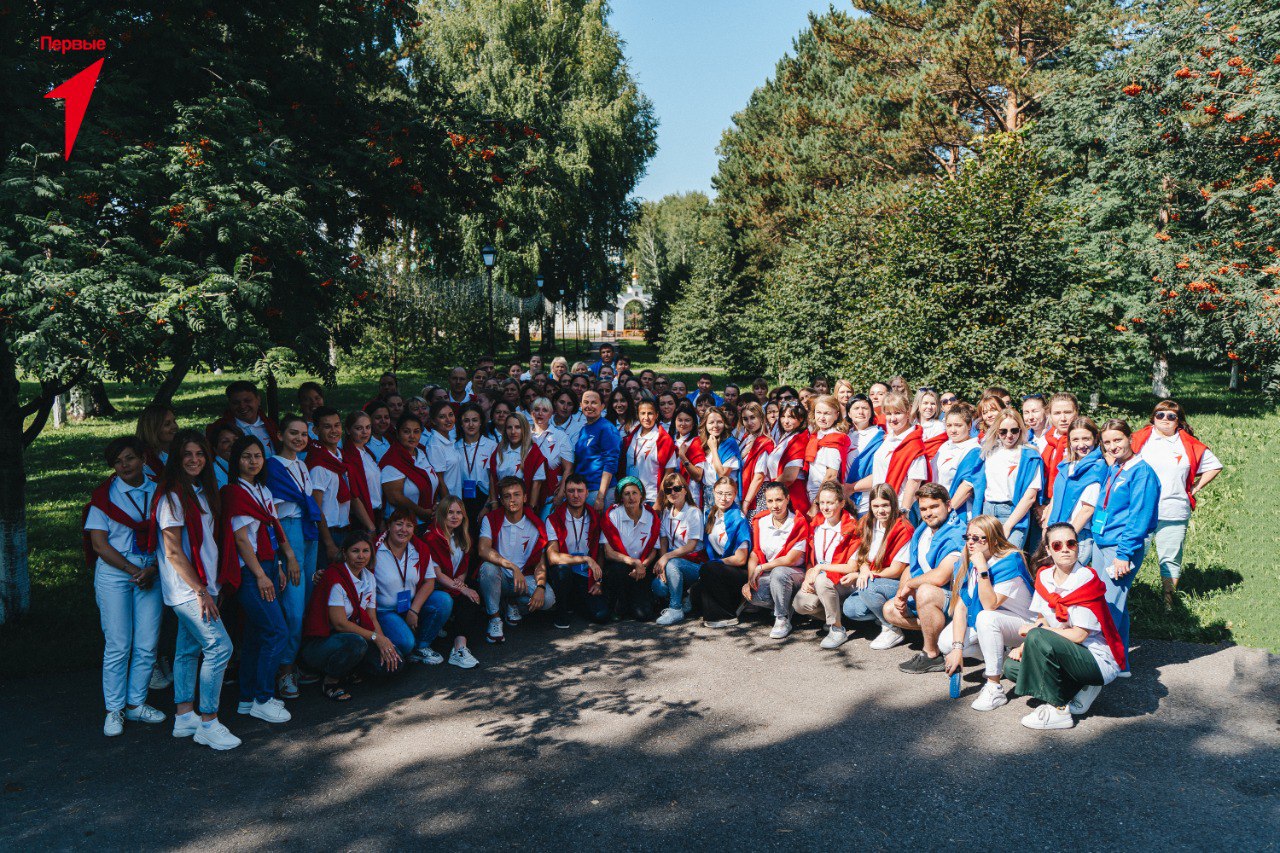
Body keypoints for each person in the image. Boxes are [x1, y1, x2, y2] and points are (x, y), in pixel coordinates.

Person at [154, 430, 240, 750]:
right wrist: (201, 591)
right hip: (188, 589)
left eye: (200, 454)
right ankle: (209, 722)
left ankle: (184, 716)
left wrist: (212, 585)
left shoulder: (200, 492)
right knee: (219, 647)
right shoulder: (172, 497)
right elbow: (173, 552)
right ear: (177, 458)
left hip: (205, 583)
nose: (194, 459)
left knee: (188, 650)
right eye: (187, 454)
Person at [1001, 523, 1127, 729]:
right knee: (1012, 667)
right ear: (1048, 550)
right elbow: (1042, 619)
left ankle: (1058, 710)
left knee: (1037, 636)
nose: (1065, 549)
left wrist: (1035, 633)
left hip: (1093, 658)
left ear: (1077, 546)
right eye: (1057, 545)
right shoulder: (1044, 576)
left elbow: (1079, 635)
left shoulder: (1086, 580)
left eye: (1071, 543)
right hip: (1064, 653)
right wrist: (1025, 646)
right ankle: (1079, 688)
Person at [84, 436, 164, 736]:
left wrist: (153, 569)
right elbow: (99, 545)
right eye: (117, 462)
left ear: (143, 458)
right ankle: (114, 709)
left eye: (129, 458)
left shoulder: (159, 490)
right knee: (119, 643)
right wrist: (134, 570)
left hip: (151, 570)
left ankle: (136, 704)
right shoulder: (104, 496)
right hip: (116, 572)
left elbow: (171, 535)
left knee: (147, 642)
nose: (124, 465)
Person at [218, 435, 296, 725]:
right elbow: (241, 540)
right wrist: (261, 575)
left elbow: (271, 529)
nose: (253, 461)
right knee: (277, 632)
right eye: (246, 456)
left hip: (267, 563)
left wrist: (278, 564)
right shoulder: (234, 492)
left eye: (257, 456)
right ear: (236, 460)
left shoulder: (262, 489)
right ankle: (263, 698)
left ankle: (248, 697)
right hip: (252, 571)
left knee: (255, 635)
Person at [1131, 400, 1223, 607]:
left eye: (1171, 416)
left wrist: (1196, 487)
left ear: (1179, 421)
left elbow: (1215, 466)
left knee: (1170, 558)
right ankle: (1125, 597)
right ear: (1153, 418)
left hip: (1174, 509)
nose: (1165, 419)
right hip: (1141, 510)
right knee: (1133, 553)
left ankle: (1168, 603)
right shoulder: (1137, 439)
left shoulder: (1188, 443)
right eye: (1160, 415)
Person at [942, 515, 1034, 710]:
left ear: (993, 539)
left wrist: (982, 569)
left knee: (986, 617)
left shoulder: (1010, 560)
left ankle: (994, 687)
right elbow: (961, 607)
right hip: (997, 622)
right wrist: (957, 649)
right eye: (968, 537)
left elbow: (990, 604)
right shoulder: (970, 559)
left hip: (1024, 626)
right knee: (947, 643)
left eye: (977, 538)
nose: (970, 542)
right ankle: (1002, 657)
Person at [301, 532, 403, 700]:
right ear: (345, 553)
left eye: (365, 551)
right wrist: (376, 638)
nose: (361, 556)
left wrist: (384, 643)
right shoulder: (335, 576)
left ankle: (350, 669)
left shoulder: (369, 577)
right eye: (355, 551)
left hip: (354, 637)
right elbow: (340, 624)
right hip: (323, 643)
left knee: (395, 663)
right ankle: (331, 681)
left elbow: (371, 618)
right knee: (357, 643)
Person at [264, 415, 323, 698]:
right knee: (293, 607)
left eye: (303, 434)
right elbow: (273, 516)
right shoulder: (273, 466)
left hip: (307, 530)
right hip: (289, 531)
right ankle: (284, 668)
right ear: (279, 435)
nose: (299, 439)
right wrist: (283, 556)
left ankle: (295, 661)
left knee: (307, 598)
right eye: (293, 433)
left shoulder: (301, 464)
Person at [1092, 419, 1160, 661]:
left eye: (1117, 440)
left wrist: (1124, 554)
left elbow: (1139, 516)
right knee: (1112, 603)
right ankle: (1120, 662)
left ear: (1131, 439)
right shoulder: (1117, 466)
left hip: (1120, 547)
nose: (1112, 446)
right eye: (1107, 442)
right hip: (1102, 541)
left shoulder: (1142, 472)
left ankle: (1102, 659)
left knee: (1108, 606)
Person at [883, 483, 966, 666]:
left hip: (957, 602)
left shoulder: (957, 534)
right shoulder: (923, 530)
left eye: (934, 507)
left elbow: (941, 576)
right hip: (933, 598)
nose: (928, 513)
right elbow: (911, 568)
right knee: (890, 609)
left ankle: (931, 654)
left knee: (926, 591)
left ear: (948, 505)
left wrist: (910, 585)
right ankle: (939, 629)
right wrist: (901, 595)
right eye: (923, 509)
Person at [477, 477, 554, 643]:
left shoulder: (536, 525)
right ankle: (495, 618)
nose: (512, 499)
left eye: (517, 494)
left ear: (525, 497)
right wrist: (512, 567)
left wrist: (540, 586)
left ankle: (512, 603)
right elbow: (483, 549)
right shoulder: (490, 519)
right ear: (501, 500)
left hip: (523, 579)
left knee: (548, 599)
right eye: (507, 496)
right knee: (487, 568)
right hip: (500, 578)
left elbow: (540, 562)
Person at [371, 509, 453, 665]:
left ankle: (422, 646)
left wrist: (414, 610)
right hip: (385, 611)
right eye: (399, 524)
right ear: (389, 526)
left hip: (410, 605)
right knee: (406, 643)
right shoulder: (374, 551)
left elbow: (430, 581)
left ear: (414, 529)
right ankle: (406, 646)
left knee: (443, 600)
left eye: (409, 525)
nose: (403, 529)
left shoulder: (419, 548)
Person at [958, 408, 1043, 549]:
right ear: (997, 431)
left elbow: (1030, 497)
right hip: (988, 511)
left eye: (1014, 431)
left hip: (1013, 513)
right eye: (1003, 431)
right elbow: (975, 484)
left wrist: (1008, 525)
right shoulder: (987, 451)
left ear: (1021, 430)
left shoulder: (1030, 455)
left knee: (1009, 557)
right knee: (986, 557)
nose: (1009, 435)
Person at [838, 483, 915, 636]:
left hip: (895, 582)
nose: (880, 510)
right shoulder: (867, 522)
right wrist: (864, 569)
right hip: (874, 577)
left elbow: (896, 570)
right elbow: (862, 555)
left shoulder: (903, 529)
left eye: (885, 505)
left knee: (868, 587)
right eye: (876, 506)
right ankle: (883, 614)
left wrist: (864, 574)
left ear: (893, 504)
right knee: (851, 608)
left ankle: (891, 628)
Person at [791, 482, 860, 648]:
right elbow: (812, 559)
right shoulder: (816, 524)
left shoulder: (852, 527)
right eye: (822, 502)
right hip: (822, 577)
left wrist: (820, 569)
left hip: (845, 581)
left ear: (841, 503)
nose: (825, 507)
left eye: (830, 503)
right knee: (801, 604)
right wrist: (809, 575)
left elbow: (851, 567)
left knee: (822, 580)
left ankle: (837, 629)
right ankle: (837, 617)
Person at [741, 482, 810, 638]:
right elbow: (755, 553)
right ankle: (787, 603)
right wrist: (750, 579)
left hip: (795, 573)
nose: (775, 505)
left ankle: (782, 619)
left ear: (787, 499)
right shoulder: (761, 522)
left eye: (779, 500)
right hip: (769, 572)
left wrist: (761, 568)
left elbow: (791, 559)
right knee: (754, 595)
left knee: (779, 573)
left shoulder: (797, 522)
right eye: (770, 501)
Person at [421, 497, 483, 667]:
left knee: (473, 595)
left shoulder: (461, 535)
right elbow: (437, 575)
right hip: (435, 587)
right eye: (450, 512)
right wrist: (462, 589)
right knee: (463, 594)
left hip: (453, 584)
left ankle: (459, 648)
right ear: (442, 514)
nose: (455, 517)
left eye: (459, 513)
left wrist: (462, 584)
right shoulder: (431, 537)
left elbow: (463, 567)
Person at [1043, 417, 1107, 568]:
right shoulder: (1067, 465)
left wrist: (1067, 538)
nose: (1081, 445)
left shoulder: (1097, 467)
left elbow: (1087, 509)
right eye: (1075, 439)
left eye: (1086, 439)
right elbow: (1055, 499)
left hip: (1077, 535)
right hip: (1056, 532)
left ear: (1095, 438)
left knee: (1069, 578)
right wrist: (1046, 530)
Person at [546, 474, 608, 626]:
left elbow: (600, 552)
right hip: (564, 572)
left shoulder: (595, 517)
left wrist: (599, 581)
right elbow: (553, 557)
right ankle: (562, 612)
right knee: (562, 570)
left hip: (585, 575)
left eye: (580, 491)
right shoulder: (553, 519)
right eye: (571, 491)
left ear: (587, 493)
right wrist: (585, 559)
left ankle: (575, 602)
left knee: (601, 615)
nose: (575, 495)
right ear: (565, 493)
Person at [598, 477, 661, 621]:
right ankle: (618, 603)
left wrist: (642, 565)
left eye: (634, 493)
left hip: (642, 569)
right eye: (627, 494)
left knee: (644, 615)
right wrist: (634, 562)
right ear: (621, 497)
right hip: (621, 567)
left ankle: (633, 601)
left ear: (641, 495)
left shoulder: (651, 516)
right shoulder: (613, 516)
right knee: (617, 570)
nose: (631, 497)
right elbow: (608, 553)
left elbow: (654, 550)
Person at [696, 477, 755, 628]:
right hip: (720, 567)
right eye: (720, 493)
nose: (723, 498)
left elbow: (741, 559)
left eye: (728, 494)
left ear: (735, 495)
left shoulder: (738, 519)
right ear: (713, 492)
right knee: (696, 594)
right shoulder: (711, 514)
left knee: (709, 569)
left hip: (738, 571)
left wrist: (716, 563)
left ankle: (726, 616)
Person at [651, 472, 705, 625]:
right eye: (668, 490)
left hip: (694, 564)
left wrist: (666, 558)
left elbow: (691, 545)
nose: (673, 493)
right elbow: (663, 539)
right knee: (658, 587)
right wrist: (662, 564)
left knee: (673, 564)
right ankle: (685, 596)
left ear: (685, 490)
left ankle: (675, 609)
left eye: (677, 488)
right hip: (671, 562)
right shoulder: (666, 512)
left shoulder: (693, 512)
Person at [306, 407, 356, 570]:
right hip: (328, 533)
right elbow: (316, 507)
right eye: (327, 427)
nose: (334, 431)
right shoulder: (318, 465)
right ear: (315, 430)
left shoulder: (340, 457)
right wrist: (329, 544)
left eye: (337, 425)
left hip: (344, 528)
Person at [380, 413, 443, 529]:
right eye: (406, 432)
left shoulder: (422, 452)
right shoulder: (392, 460)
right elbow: (394, 497)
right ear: (398, 434)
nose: (412, 436)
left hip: (428, 522)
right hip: (402, 525)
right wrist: (421, 512)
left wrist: (435, 506)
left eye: (416, 431)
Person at [618, 399, 677, 506]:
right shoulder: (631, 437)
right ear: (638, 415)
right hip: (629, 496)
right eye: (642, 413)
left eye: (650, 413)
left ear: (656, 415)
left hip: (651, 497)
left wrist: (659, 501)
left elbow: (668, 473)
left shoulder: (664, 440)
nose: (646, 417)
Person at [574, 390, 622, 514]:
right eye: (586, 402)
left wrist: (600, 497)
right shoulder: (584, 429)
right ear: (580, 405)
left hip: (601, 492)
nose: (589, 406)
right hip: (585, 490)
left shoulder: (607, 428)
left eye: (594, 403)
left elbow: (610, 463)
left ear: (602, 406)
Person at [760, 400, 810, 516]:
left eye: (791, 417)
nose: (786, 421)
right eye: (783, 416)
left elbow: (789, 476)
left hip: (792, 496)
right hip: (780, 493)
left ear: (801, 418)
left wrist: (770, 491)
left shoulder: (800, 439)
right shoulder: (788, 436)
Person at [455, 403, 497, 540]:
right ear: (461, 423)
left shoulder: (491, 446)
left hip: (484, 499)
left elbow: (494, 479)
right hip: (462, 500)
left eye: (475, 420)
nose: (471, 424)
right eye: (466, 420)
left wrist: (488, 506)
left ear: (481, 422)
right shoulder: (454, 447)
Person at [488, 412, 546, 509]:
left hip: (523, 507)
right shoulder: (499, 450)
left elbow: (537, 484)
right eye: (509, 427)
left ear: (524, 429)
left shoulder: (533, 452)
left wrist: (530, 510)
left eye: (518, 427)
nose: (513, 431)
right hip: (501, 504)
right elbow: (493, 478)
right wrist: (494, 505)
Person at [205, 380, 280, 456]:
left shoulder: (271, 426)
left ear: (258, 400)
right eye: (236, 403)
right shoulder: (218, 428)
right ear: (230, 404)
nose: (242, 406)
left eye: (247, 401)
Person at [933, 403, 982, 517]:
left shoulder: (974, 450)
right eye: (949, 425)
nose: (953, 430)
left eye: (958, 425)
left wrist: (946, 512)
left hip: (958, 513)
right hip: (937, 509)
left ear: (969, 425)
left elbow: (967, 488)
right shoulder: (945, 446)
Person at [529, 396, 575, 514]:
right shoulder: (525, 435)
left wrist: (560, 495)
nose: (540, 413)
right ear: (531, 413)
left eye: (545, 410)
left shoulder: (560, 436)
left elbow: (568, 469)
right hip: (526, 493)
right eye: (537, 409)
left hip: (550, 496)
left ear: (551, 414)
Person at [805, 395, 850, 513]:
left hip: (825, 498)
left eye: (827, 413)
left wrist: (816, 504)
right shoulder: (817, 435)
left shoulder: (834, 438)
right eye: (818, 412)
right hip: (812, 492)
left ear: (836, 415)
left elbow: (831, 475)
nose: (822, 417)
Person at [343, 410, 383, 534]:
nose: (365, 432)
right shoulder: (348, 456)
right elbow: (354, 496)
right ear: (348, 430)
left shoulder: (368, 453)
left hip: (377, 513)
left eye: (368, 427)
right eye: (359, 428)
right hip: (361, 519)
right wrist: (370, 526)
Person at [844, 395, 881, 516]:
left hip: (867, 501)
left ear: (871, 412)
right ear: (849, 413)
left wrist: (851, 488)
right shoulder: (843, 435)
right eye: (856, 408)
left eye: (865, 408)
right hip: (843, 501)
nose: (860, 412)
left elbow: (882, 472)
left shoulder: (879, 437)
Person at [736, 402, 775, 513]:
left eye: (753, 417)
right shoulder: (746, 437)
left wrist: (746, 503)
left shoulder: (765, 442)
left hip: (757, 495)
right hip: (744, 490)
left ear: (761, 418)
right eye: (745, 419)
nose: (749, 422)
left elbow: (759, 476)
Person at [699, 407, 742, 507]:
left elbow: (723, 474)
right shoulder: (705, 442)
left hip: (725, 494)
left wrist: (714, 449)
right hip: (708, 492)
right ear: (705, 425)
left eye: (719, 422)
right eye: (711, 422)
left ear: (725, 423)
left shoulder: (729, 443)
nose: (715, 426)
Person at [423, 400, 464, 499]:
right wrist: (449, 504)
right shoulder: (435, 444)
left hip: (457, 497)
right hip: (448, 500)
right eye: (442, 417)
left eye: (451, 415)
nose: (448, 419)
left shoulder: (451, 439)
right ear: (433, 421)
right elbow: (439, 481)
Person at [1040, 392, 1079, 495]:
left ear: (1076, 413)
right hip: (1044, 498)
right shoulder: (1043, 440)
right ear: (1050, 415)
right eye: (1057, 413)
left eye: (1068, 412)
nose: (1063, 418)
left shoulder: (1084, 442)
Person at [135, 404, 178, 477]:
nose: (175, 426)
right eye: (167, 424)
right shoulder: (145, 459)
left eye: (174, 421)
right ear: (153, 429)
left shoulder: (181, 448)